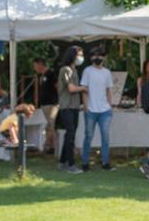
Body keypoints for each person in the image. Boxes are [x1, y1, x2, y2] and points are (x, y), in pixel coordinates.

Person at [79, 51, 115, 172]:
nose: (98, 58)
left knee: (105, 136)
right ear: (91, 57)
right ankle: (85, 163)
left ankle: (105, 162)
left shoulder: (107, 72)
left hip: (105, 110)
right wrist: (86, 107)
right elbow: (84, 89)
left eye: (100, 55)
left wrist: (110, 105)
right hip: (91, 110)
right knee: (88, 136)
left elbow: (108, 90)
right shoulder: (87, 71)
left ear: (104, 58)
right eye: (95, 55)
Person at [57, 45, 87, 174]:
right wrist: (84, 88)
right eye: (79, 55)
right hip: (66, 107)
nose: (81, 58)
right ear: (72, 56)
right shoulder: (65, 70)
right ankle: (71, 165)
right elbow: (71, 88)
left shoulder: (74, 70)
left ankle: (62, 162)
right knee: (70, 135)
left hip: (74, 107)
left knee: (70, 134)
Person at [33, 58, 58, 154]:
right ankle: (50, 146)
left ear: (40, 64)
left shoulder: (50, 73)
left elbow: (57, 86)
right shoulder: (41, 76)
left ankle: (51, 146)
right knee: (48, 125)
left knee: (50, 124)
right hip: (44, 104)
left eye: (35, 65)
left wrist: (58, 100)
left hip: (52, 104)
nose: (34, 68)